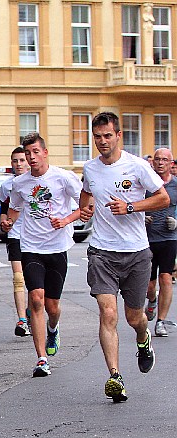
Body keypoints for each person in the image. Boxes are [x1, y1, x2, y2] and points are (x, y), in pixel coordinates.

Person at [78, 111, 169, 402]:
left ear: (119, 136)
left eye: (108, 136)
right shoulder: (90, 168)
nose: (102, 142)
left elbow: (163, 198)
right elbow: (85, 193)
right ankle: (115, 376)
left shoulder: (138, 166)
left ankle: (143, 340)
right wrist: (85, 209)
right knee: (108, 313)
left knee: (134, 317)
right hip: (102, 251)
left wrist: (131, 207)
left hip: (136, 252)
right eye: (97, 137)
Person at [4, 133, 83, 378]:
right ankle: (41, 359)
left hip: (57, 248)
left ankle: (53, 327)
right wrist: (8, 222)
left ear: (45, 152)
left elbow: (86, 205)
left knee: (53, 305)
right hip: (31, 248)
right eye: (28, 153)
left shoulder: (63, 177)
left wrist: (66, 219)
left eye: (36, 152)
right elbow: (14, 208)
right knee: (36, 299)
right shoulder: (20, 183)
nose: (31, 157)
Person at [143, 147, 177, 336]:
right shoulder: (146, 185)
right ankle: (152, 301)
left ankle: (161, 321)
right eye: (157, 159)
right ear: (153, 162)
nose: (161, 162)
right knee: (149, 284)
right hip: (147, 239)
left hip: (169, 237)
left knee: (166, 278)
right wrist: (142, 217)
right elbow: (134, 205)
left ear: (171, 164)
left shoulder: (175, 185)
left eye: (165, 159)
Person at [0, 146, 32, 336]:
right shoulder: (7, 185)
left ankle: (30, 311)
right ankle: (22, 320)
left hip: (36, 238)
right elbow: (4, 208)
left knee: (35, 284)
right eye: (15, 161)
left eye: (22, 160)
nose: (18, 164)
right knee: (19, 278)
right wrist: (4, 222)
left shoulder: (36, 182)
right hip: (16, 235)